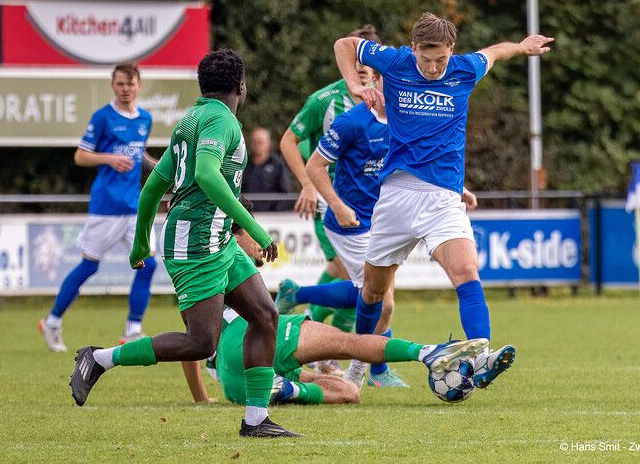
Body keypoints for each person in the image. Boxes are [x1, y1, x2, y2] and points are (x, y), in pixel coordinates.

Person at [68, 48, 300, 438]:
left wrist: (140, 243)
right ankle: (99, 359)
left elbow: (153, 188)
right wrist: (257, 231)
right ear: (240, 85)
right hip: (195, 244)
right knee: (200, 342)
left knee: (265, 315)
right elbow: (208, 177)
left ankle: (256, 419)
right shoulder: (221, 120)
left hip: (217, 240)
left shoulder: (189, 120)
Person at [333, 12, 554, 389]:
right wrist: (355, 84)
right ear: (414, 49)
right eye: (426, 59)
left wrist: (521, 47)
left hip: (442, 200)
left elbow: (495, 53)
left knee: (467, 272)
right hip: (397, 197)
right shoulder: (395, 61)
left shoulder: (465, 68)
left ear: (452, 49)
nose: (433, 67)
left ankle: (482, 355)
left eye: (441, 59)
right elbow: (345, 45)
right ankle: (357, 365)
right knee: (373, 292)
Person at [275, 72, 410, 388]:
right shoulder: (332, 106)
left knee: (365, 290)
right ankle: (365, 368)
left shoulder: (399, 113)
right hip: (341, 209)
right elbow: (294, 147)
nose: (365, 76)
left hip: (380, 216)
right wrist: (313, 189)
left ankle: (300, 300)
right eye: (360, 70)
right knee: (377, 298)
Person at [278, 25, 381, 366]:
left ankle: (324, 340)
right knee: (346, 270)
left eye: (369, 60)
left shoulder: (388, 103)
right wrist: (308, 184)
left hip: (371, 202)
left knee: (363, 281)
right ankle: (328, 342)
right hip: (333, 198)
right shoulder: (324, 100)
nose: (363, 68)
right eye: (357, 58)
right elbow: (288, 141)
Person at [39, 63, 158, 352]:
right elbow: (80, 156)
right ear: (112, 85)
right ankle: (52, 322)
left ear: (139, 85)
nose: (125, 89)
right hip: (106, 207)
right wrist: (109, 159)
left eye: (130, 84)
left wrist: (162, 170)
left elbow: (138, 154)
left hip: (134, 207)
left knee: (149, 264)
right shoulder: (103, 117)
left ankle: (133, 329)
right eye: (120, 84)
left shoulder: (145, 118)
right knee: (89, 267)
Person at [185, 306, 487, 406]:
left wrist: (201, 398)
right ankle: (426, 352)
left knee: (349, 392)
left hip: (235, 380)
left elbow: (190, 346)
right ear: (237, 235)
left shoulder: (204, 287)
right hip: (258, 337)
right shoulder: (228, 265)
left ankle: (288, 389)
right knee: (350, 342)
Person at [242, 127, 291, 211]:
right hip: (247, 215)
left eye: (260, 142)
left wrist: (275, 212)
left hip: (271, 216)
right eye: (254, 142)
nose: (256, 145)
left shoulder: (277, 164)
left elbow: (285, 193)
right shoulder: (244, 164)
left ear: (268, 143)